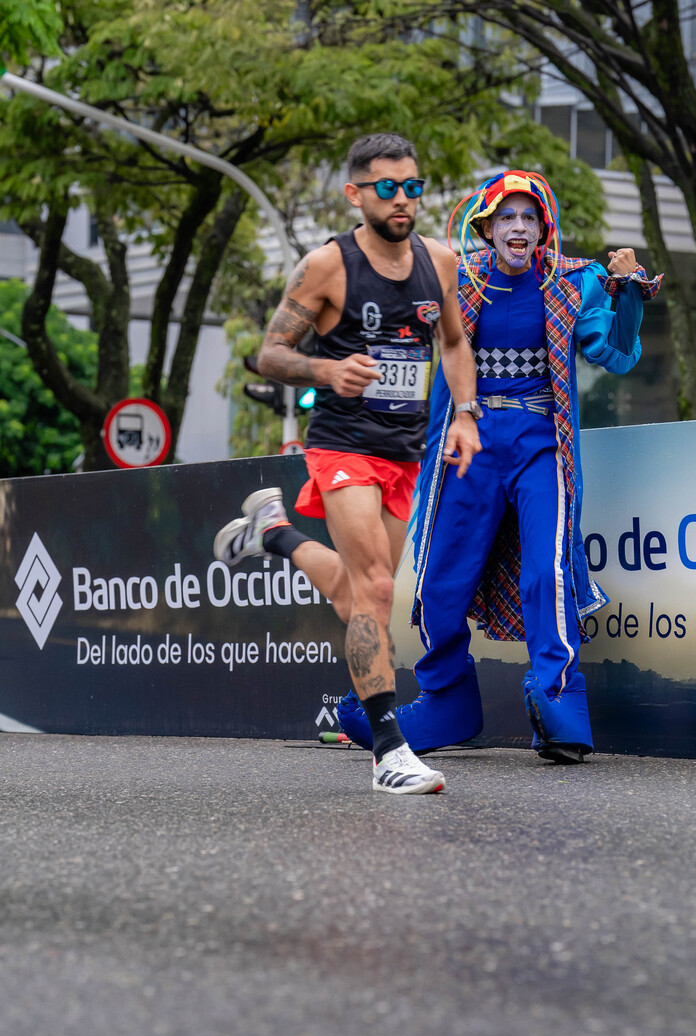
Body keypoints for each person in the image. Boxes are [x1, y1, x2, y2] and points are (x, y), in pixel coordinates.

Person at [338, 169, 662, 763]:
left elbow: (615, 355)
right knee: (440, 579)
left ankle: (559, 704)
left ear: (543, 229)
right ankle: (447, 702)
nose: (519, 226)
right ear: (487, 229)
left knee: (546, 571)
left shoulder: (573, 281)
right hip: (469, 442)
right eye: (507, 217)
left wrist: (628, 292)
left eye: (529, 217)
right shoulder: (454, 279)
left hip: (541, 441)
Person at [213, 132, 481, 794]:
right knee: (377, 588)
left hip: (404, 450)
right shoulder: (328, 266)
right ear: (355, 194)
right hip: (342, 443)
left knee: (357, 592)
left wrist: (466, 414)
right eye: (387, 187)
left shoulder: (441, 262)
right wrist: (327, 370)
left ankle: (275, 532)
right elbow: (270, 353)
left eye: (412, 186)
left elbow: (453, 343)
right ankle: (389, 752)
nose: (402, 199)